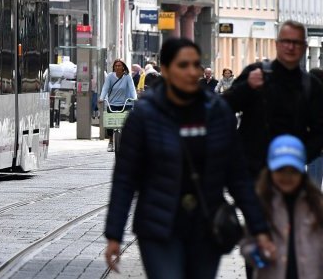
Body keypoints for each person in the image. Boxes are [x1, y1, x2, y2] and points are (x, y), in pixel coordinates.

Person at [104, 37, 274, 278]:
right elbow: (125, 178)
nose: (191, 71)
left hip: (206, 224)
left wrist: (258, 227)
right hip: (159, 225)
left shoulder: (216, 112)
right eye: (183, 65)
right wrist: (114, 234)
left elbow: (237, 177)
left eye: (195, 64)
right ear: (165, 70)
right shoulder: (144, 115)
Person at [224, 20, 323, 178]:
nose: (290, 47)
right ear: (277, 44)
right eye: (286, 41)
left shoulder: (311, 85)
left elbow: (319, 132)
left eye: (296, 42)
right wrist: (247, 87)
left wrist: (299, 157)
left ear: (304, 47)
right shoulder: (256, 73)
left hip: (290, 174)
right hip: (252, 171)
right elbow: (225, 107)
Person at [251, 135, 323, 278]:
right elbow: (247, 247)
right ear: (270, 170)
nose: (287, 177)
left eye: (293, 171)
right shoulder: (261, 204)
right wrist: (261, 254)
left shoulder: (316, 205)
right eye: (280, 170)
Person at [100, 59, 137, 152]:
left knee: (127, 123)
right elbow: (105, 88)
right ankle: (111, 141)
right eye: (116, 66)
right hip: (112, 103)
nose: (117, 67)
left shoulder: (127, 77)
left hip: (126, 103)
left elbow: (132, 88)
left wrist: (135, 98)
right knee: (110, 123)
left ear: (123, 67)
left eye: (119, 65)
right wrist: (101, 98)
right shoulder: (109, 77)